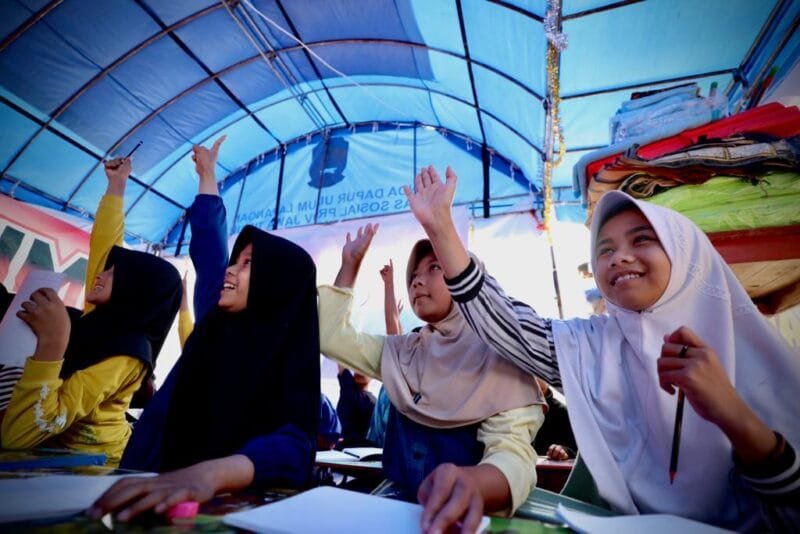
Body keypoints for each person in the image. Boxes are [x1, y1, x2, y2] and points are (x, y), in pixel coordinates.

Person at [405, 165, 800, 530]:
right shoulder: (592, 347)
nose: (619, 257)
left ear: (686, 256)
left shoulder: (751, 353)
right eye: (604, 249)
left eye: (642, 239)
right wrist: (441, 228)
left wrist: (733, 413)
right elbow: (509, 327)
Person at [90, 137, 320, 521]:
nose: (232, 268)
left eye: (248, 264)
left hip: (201, 508)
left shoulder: (284, 363)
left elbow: (295, 446)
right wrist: (208, 175)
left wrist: (209, 475)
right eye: (237, 260)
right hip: (138, 478)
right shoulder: (217, 321)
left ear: (275, 286)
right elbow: (211, 249)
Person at [318, 224, 545, 534]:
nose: (417, 281)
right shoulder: (403, 352)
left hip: (461, 519)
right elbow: (332, 338)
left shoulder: (501, 358)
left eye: (435, 267)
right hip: (388, 511)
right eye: (412, 276)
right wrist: (350, 265)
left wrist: (474, 484)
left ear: (468, 277)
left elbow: (513, 456)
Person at [1, 157, 181, 465]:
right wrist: (117, 184)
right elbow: (104, 243)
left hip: (92, 465)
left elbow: (17, 437)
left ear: (135, 289)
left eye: (114, 273)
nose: (98, 274)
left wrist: (52, 345)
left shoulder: (126, 354)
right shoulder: (101, 322)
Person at [533, 378, 577, 461]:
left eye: (538, 374)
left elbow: (577, 451)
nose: (533, 379)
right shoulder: (511, 411)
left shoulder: (565, 413)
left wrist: (563, 451)